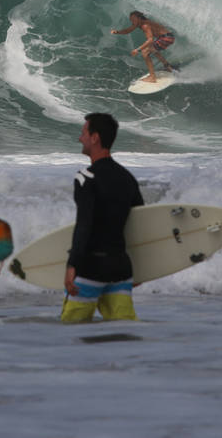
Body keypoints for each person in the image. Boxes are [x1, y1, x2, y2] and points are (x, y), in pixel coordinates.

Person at [62, 112, 145, 323]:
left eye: (83, 133)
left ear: (95, 137)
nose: (80, 138)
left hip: (91, 268)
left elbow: (84, 225)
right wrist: (141, 270)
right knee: (123, 332)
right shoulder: (127, 178)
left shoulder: (86, 178)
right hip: (121, 270)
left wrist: (72, 266)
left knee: (72, 329)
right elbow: (139, 223)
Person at [111, 10, 175, 82]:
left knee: (145, 52)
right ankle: (168, 67)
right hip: (168, 36)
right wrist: (117, 32)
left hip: (166, 38)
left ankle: (152, 77)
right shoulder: (139, 23)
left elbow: (150, 39)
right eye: (131, 20)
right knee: (152, 49)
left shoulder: (145, 25)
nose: (132, 21)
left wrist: (137, 50)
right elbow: (128, 30)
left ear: (139, 18)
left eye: (134, 19)